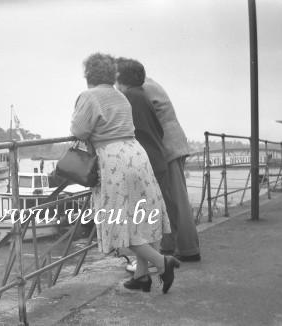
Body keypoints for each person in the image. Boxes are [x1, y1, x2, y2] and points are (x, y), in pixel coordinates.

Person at [70, 53, 180, 293]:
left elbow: (78, 130)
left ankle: (163, 262)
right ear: (112, 75)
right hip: (137, 154)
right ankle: (141, 276)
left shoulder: (88, 96)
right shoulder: (122, 96)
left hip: (113, 160)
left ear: (88, 74)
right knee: (140, 218)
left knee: (120, 223)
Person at [116, 58, 201, 262]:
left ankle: (188, 249)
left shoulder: (138, 90)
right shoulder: (149, 84)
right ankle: (173, 246)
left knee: (176, 199)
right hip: (172, 143)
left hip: (167, 147)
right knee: (173, 198)